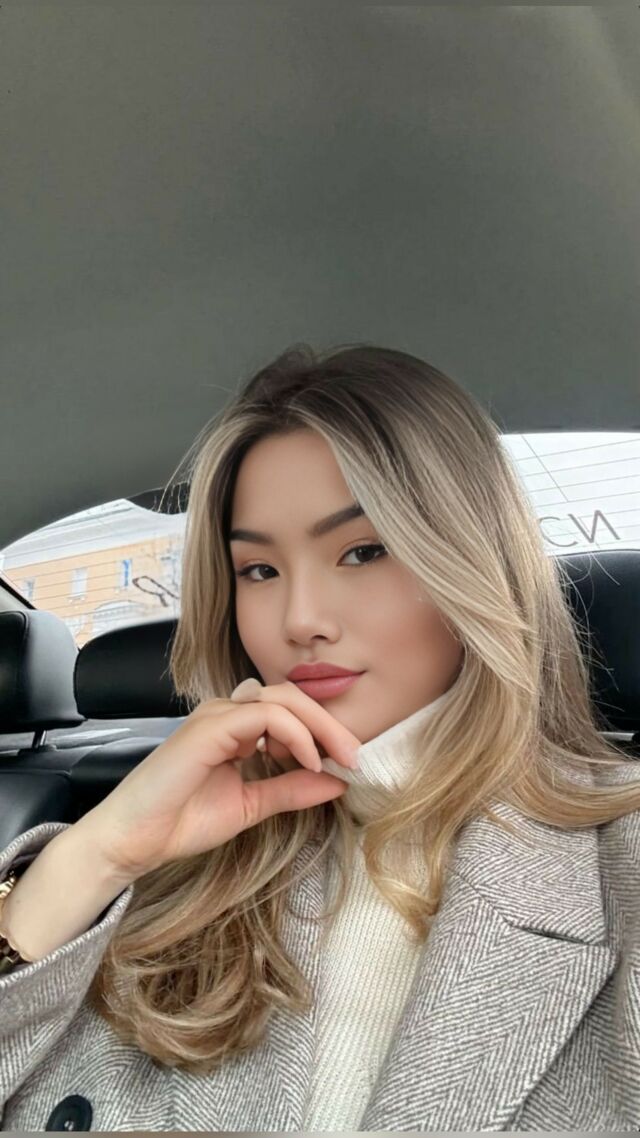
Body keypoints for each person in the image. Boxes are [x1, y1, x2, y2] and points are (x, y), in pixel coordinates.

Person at [1, 342, 639, 1132]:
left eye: (363, 551)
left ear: (473, 563)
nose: (300, 619)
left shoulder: (620, 863)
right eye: (259, 571)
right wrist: (94, 856)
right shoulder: (167, 863)